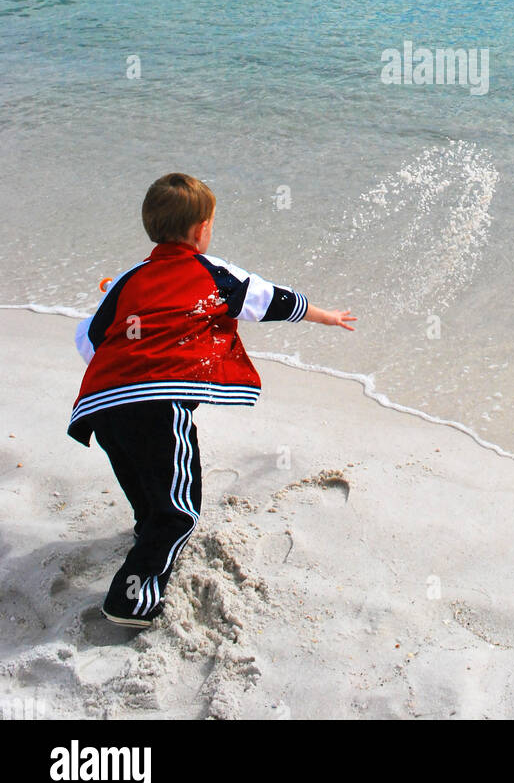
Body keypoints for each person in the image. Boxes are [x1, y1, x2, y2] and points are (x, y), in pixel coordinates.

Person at [67, 171, 355, 628]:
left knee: (143, 479)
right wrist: (324, 316)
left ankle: (147, 528)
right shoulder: (210, 272)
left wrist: (126, 365)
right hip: (156, 405)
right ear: (202, 230)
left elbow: (89, 338)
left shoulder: (127, 280)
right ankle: (130, 601)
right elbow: (269, 300)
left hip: (101, 406)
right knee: (179, 510)